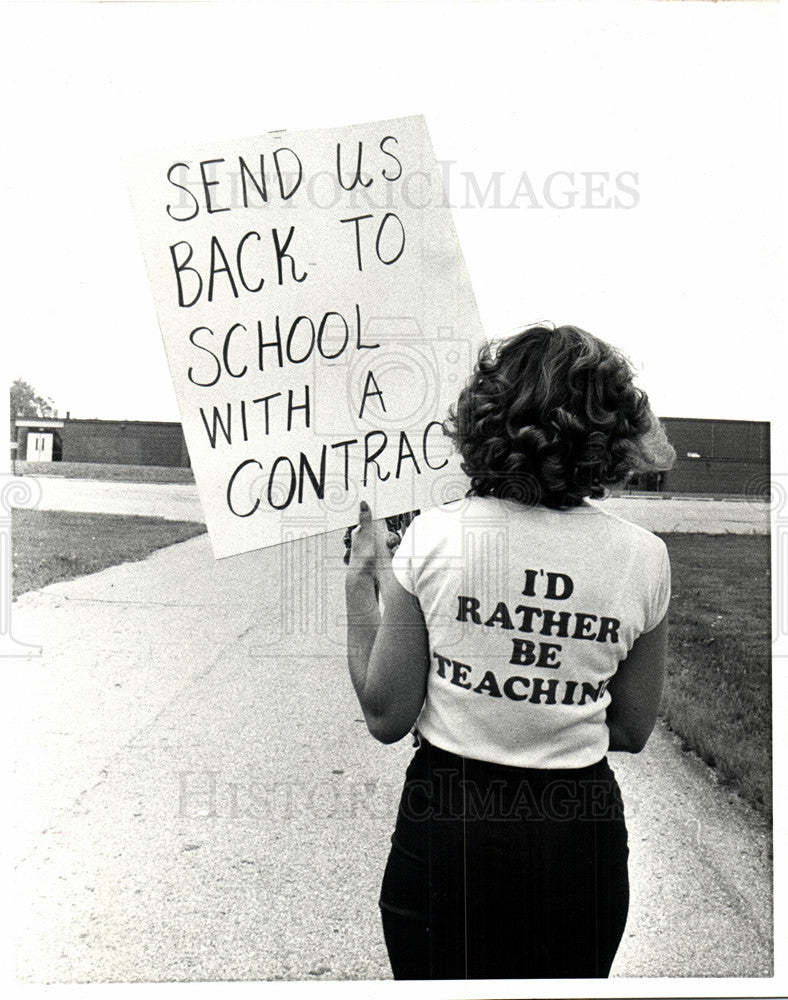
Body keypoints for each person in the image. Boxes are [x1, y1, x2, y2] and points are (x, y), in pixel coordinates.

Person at [343, 324, 676, 980]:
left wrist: (361, 589)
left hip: (448, 817)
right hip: (577, 828)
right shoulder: (644, 557)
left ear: (485, 418)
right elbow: (633, 730)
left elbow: (387, 718)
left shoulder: (434, 537)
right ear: (610, 431)